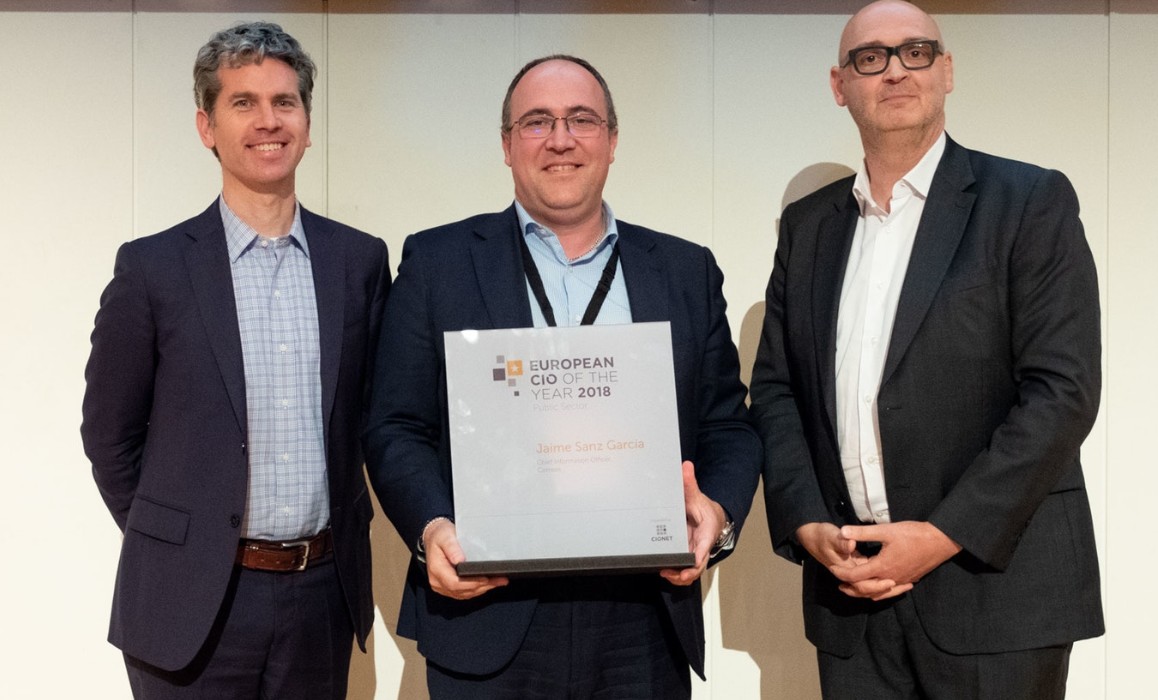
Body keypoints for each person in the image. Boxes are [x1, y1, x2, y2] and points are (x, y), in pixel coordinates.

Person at [363, 55, 761, 698]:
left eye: (581, 119)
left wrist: (715, 511)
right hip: (487, 609)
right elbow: (395, 425)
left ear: (612, 139)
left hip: (643, 619)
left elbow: (727, 427)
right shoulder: (438, 262)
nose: (560, 139)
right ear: (506, 144)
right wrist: (433, 528)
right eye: (537, 122)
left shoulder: (684, 270)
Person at [749, 1, 1104, 697]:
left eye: (916, 52)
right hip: (851, 597)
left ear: (946, 71)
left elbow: (1062, 393)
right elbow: (777, 389)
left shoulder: (1027, 200)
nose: (895, 71)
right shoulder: (808, 226)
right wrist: (808, 521)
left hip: (995, 593)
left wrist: (940, 535)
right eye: (870, 58)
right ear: (839, 84)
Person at [81, 22, 390, 699]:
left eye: (285, 102)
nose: (268, 121)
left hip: (320, 596)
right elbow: (108, 436)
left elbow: (378, 419)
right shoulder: (153, 268)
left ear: (307, 123)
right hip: (190, 603)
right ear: (207, 126)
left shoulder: (359, 262)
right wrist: (179, 541)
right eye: (243, 103)